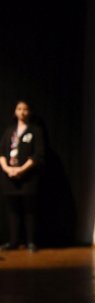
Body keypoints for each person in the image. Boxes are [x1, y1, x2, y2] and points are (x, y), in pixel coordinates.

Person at [0, 100, 45, 252]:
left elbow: (38, 155)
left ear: (29, 112)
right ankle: (13, 241)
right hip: (9, 177)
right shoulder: (9, 131)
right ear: (15, 111)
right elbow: (1, 153)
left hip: (28, 178)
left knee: (29, 211)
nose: (22, 112)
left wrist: (21, 170)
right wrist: (7, 169)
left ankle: (30, 241)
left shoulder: (35, 131)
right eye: (19, 108)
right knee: (12, 211)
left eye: (25, 109)